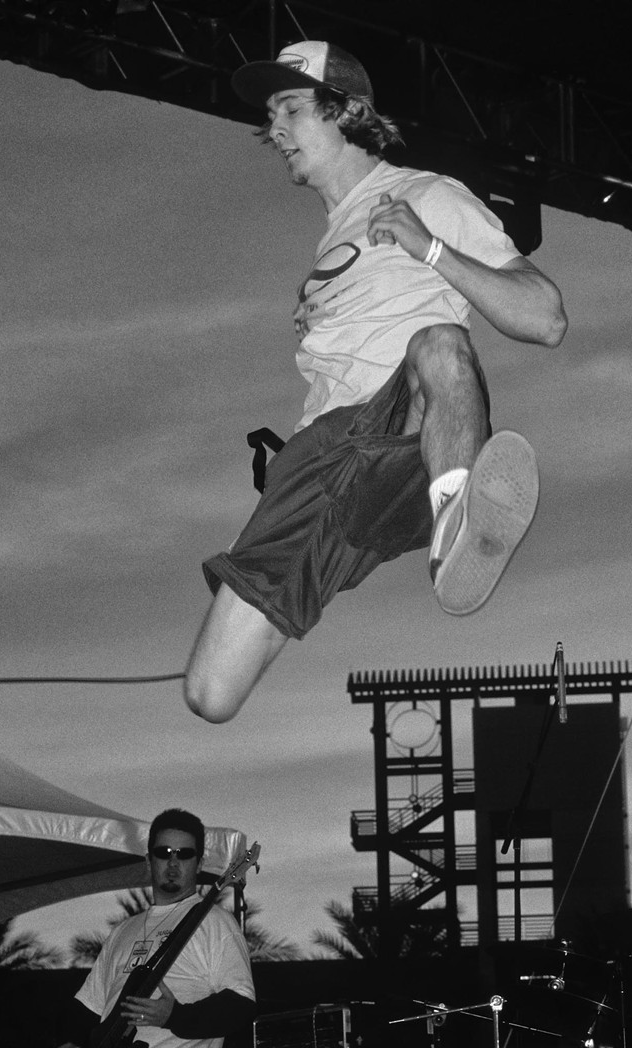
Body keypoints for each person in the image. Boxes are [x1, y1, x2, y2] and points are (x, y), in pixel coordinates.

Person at [184, 41, 567, 724]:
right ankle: (364, 553)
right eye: (270, 115)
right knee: (210, 694)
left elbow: (545, 318)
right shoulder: (334, 237)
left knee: (439, 345)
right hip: (320, 470)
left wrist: (433, 250)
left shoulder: (428, 197)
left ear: (348, 112)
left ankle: (456, 520)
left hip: (404, 432)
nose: (274, 131)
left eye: (290, 110)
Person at [51, 808, 256, 1048]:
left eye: (184, 855)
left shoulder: (216, 922)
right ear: (149, 860)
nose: (173, 864)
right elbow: (88, 1009)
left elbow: (240, 1005)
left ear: (199, 863)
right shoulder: (123, 931)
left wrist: (174, 1016)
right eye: (164, 853)